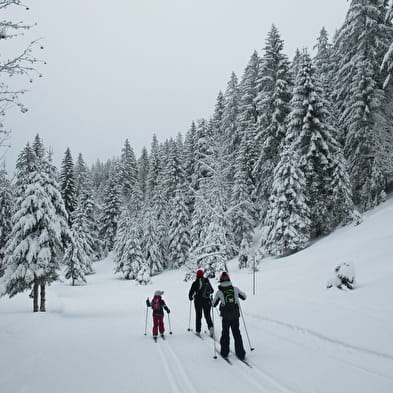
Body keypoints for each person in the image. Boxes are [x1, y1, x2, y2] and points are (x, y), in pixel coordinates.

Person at [213, 271, 246, 360]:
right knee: (237, 333)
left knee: (225, 333)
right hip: (235, 315)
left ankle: (224, 352)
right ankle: (241, 353)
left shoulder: (219, 292)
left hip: (225, 316)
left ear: (220, 280)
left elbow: (214, 304)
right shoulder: (235, 289)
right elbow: (244, 297)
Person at [188, 269, 214, 337]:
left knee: (198, 316)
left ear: (197, 275)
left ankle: (198, 331)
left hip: (198, 301)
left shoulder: (195, 283)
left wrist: (191, 297)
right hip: (207, 301)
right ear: (203, 274)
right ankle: (211, 328)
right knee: (207, 315)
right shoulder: (206, 281)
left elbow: (190, 294)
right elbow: (212, 290)